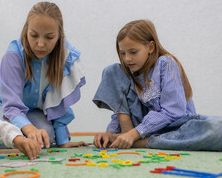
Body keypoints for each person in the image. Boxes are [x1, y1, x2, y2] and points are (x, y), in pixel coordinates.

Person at [93, 19, 222, 150]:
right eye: (122, 53)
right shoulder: (128, 73)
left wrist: (134, 134)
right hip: (141, 129)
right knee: (113, 70)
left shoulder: (166, 63)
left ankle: (143, 142)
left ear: (150, 47)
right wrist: (110, 132)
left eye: (133, 52)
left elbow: (174, 112)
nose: (127, 58)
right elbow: (122, 107)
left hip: (175, 128)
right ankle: (131, 138)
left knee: (217, 129)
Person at [0, 1, 87, 150]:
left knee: (46, 135)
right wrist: (29, 129)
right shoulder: (13, 55)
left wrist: (62, 140)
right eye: (34, 35)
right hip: (6, 106)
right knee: (11, 136)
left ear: (59, 36)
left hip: (33, 110)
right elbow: (12, 106)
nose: (41, 44)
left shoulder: (64, 56)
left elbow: (57, 102)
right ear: (26, 30)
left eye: (49, 37)